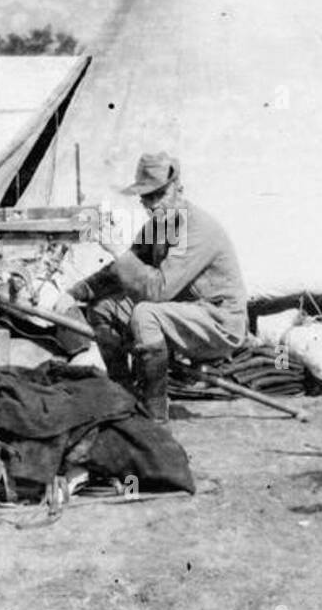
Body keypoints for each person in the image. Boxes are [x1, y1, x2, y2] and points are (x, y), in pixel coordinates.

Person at [63, 152, 248, 423]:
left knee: (145, 312)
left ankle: (155, 416)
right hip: (184, 312)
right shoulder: (161, 225)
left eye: (159, 195)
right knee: (103, 308)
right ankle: (123, 395)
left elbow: (157, 291)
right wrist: (73, 293)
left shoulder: (194, 228)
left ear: (178, 189)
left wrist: (116, 247)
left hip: (219, 321)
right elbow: (124, 270)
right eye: (147, 198)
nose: (152, 204)